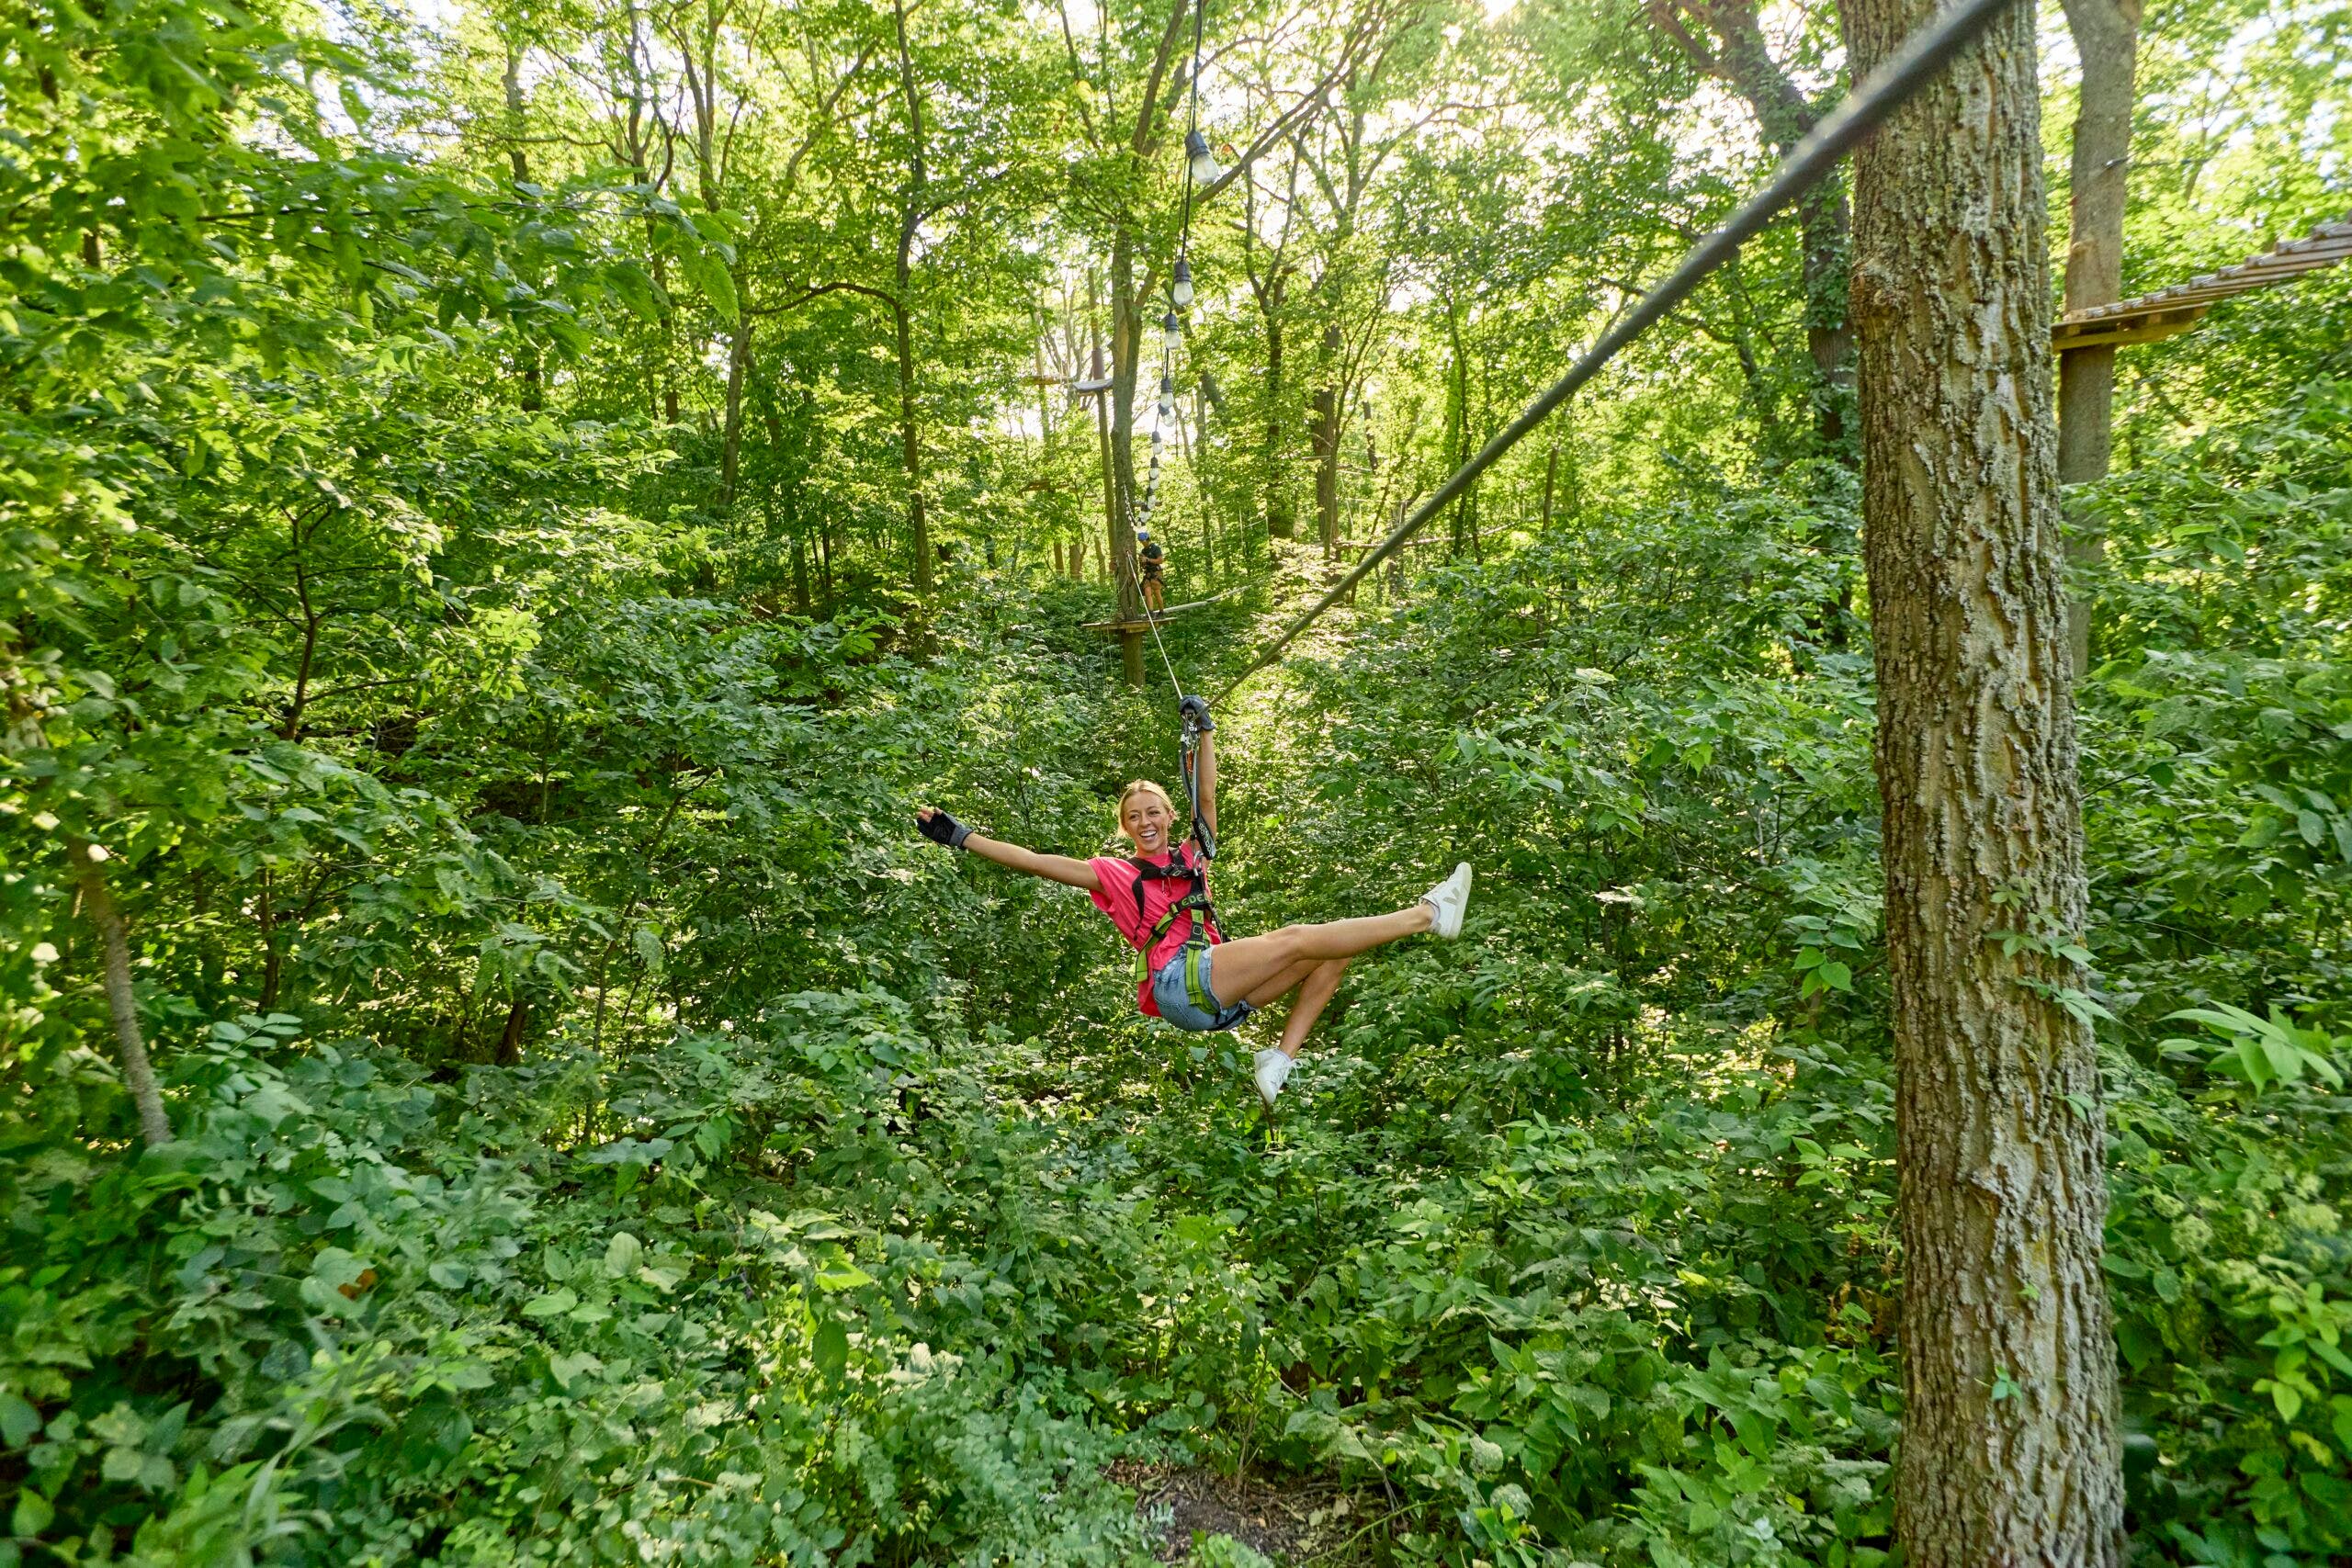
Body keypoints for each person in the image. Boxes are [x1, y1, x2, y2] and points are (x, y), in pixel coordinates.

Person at [915, 696, 1474, 1107]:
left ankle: (1277, 1063)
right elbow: (1035, 860)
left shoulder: (1192, 855)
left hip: (1218, 1001)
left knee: (1329, 953)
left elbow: (1206, 795)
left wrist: (1205, 731)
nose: (1145, 822)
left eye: (1153, 812)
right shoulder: (1113, 873)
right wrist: (962, 836)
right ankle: (1428, 914)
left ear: (1167, 816)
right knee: (1299, 936)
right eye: (1134, 817)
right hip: (1179, 983)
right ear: (1126, 828)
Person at [1137, 528, 1167, 616]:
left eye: (1143, 541)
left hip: (1156, 573)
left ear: (1147, 539)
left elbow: (1160, 560)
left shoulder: (1155, 548)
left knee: (1157, 592)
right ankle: (1150, 612)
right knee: (1147, 592)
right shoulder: (1143, 551)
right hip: (1148, 574)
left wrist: (1148, 559)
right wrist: (1142, 562)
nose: (1142, 543)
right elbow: (1144, 564)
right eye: (1141, 541)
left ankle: (1161, 611)